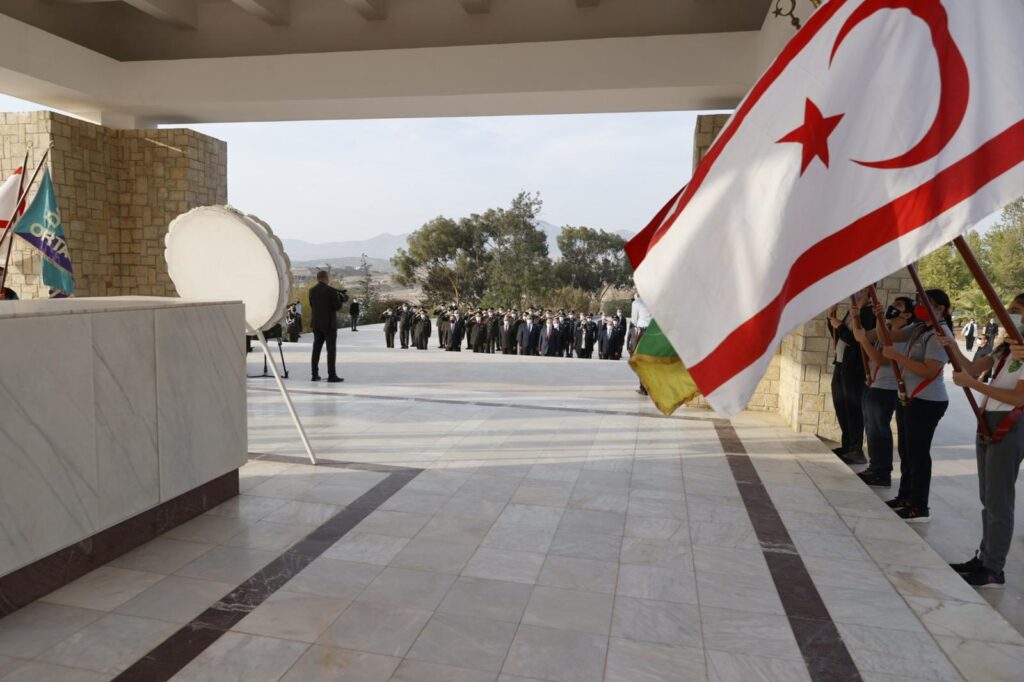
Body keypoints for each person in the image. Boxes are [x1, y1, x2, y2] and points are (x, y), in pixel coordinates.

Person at [941, 295, 1024, 588]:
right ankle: (984, 556)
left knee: (999, 501)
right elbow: (972, 368)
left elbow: (1018, 398)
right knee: (987, 496)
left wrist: (975, 385)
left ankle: (993, 567)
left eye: (1016, 311)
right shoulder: (1005, 352)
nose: (1009, 315)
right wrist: (952, 345)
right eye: (1009, 310)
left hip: (1009, 425)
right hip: (986, 421)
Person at [882, 288, 952, 523]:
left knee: (918, 454)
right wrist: (891, 320)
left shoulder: (939, 334)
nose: (919, 305)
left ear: (940, 309)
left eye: (925, 302)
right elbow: (889, 338)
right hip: (910, 398)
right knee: (906, 451)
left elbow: (929, 370)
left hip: (926, 401)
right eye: (918, 301)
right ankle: (905, 496)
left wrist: (898, 357)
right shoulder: (922, 327)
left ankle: (919, 505)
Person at [851, 296, 914, 488]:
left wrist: (863, 342)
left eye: (899, 305)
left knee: (879, 430)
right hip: (874, 384)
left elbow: (882, 360)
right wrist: (855, 316)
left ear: (908, 315)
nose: (893, 307)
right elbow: (860, 335)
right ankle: (875, 466)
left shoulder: (903, 335)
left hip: (887, 388)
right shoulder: (885, 329)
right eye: (893, 304)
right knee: (871, 429)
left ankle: (881, 471)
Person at [828, 293, 876, 465]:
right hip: (842, 365)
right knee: (842, 407)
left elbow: (857, 342)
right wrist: (831, 317)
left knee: (853, 410)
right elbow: (839, 335)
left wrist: (840, 326)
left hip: (855, 369)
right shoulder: (853, 311)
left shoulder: (869, 314)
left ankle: (856, 449)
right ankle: (847, 445)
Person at [308, 271, 345, 382]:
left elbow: (312, 305)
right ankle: (331, 375)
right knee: (331, 350)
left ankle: (314, 374)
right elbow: (337, 306)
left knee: (316, 350)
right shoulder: (331, 291)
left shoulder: (312, 291)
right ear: (326, 278)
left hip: (317, 324)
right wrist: (341, 299)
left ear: (318, 278)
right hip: (329, 325)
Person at [630, 294, 653, 394]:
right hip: (654, 332)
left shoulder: (637, 302)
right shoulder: (653, 298)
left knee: (641, 359)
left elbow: (634, 320)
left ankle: (643, 388)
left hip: (642, 332)